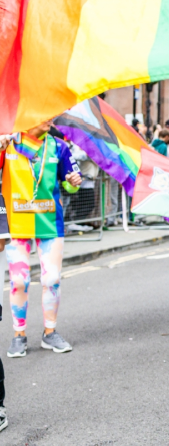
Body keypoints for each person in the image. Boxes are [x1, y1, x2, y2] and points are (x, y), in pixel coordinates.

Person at [1, 120, 83, 357]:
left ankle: (50, 332)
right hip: (16, 224)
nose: (50, 120)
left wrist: (73, 182)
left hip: (49, 223)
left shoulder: (59, 146)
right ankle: (19, 335)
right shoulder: (8, 143)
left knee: (52, 279)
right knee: (18, 281)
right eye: (45, 116)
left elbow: (71, 183)